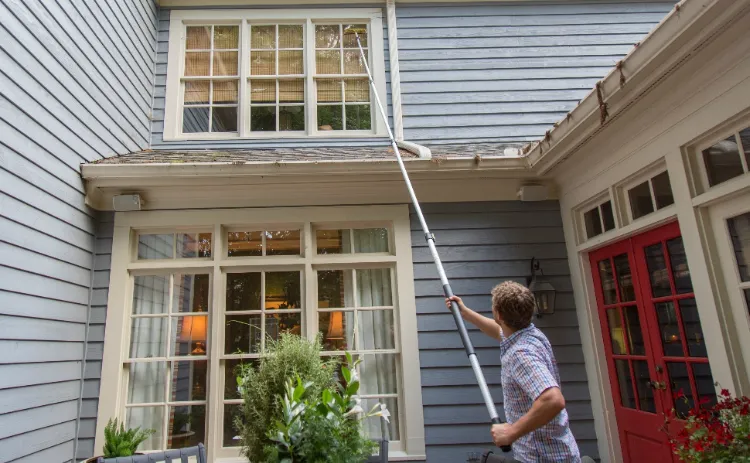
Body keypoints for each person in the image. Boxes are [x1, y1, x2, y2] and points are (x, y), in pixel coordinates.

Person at [446, 281, 581, 463]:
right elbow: (499, 330)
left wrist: (511, 431)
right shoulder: (530, 334)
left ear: (499, 314)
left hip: (543, 456)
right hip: (557, 451)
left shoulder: (520, 354)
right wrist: (465, 313)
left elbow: (553, 400)